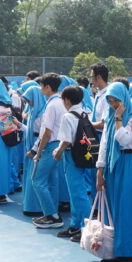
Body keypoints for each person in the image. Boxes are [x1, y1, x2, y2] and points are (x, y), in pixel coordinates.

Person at [96, 82, 132, 262]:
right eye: (110, 100)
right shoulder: (109, 116)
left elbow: (125, 140)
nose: (114, 104)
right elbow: (104, 143)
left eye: (116, 100)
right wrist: (100, 169)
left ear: (125, 98)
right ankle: (117, 251)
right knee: (113, 208)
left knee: (128, 209)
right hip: (112, 165)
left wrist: (118, 120)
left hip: (128, 162)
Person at [52, 85, 94, 240]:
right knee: (77, 191)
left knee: (77, 193)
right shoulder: (84, 113)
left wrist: (58, 151)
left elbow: (66, 139)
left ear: (66, 100)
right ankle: (75, 225)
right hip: (83, 155)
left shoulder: (68, 116)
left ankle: (85, 227)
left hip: (71, 156)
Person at [31, 73, 66, 228]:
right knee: (51, 181)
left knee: (37, 180)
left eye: (41, 86)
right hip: (59, 145)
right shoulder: (61, 102)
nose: (40, 90)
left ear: (48, 87)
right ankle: (53, 214)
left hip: (51, 146)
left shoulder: (52, 105)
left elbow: (46, 132)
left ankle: (51, 215)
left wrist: (38, 152)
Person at [21, 82, 48, 217]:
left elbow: (43, 134)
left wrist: (34, 149)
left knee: (36, 177)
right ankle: (30, 204)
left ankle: (36, 207)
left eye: (30, 100)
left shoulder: (44, 113)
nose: (28, 104)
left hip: (38, 147)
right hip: (32, 144)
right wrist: (19, 124)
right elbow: (30, 130)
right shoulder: (33, 111)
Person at [89, 62, 111, 132]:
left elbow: (104, 123)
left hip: (102, 136)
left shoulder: (108, 96)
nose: (91, 81)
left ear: (98, 77)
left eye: (91, 77)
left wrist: (87, 124)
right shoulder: (99, 94)